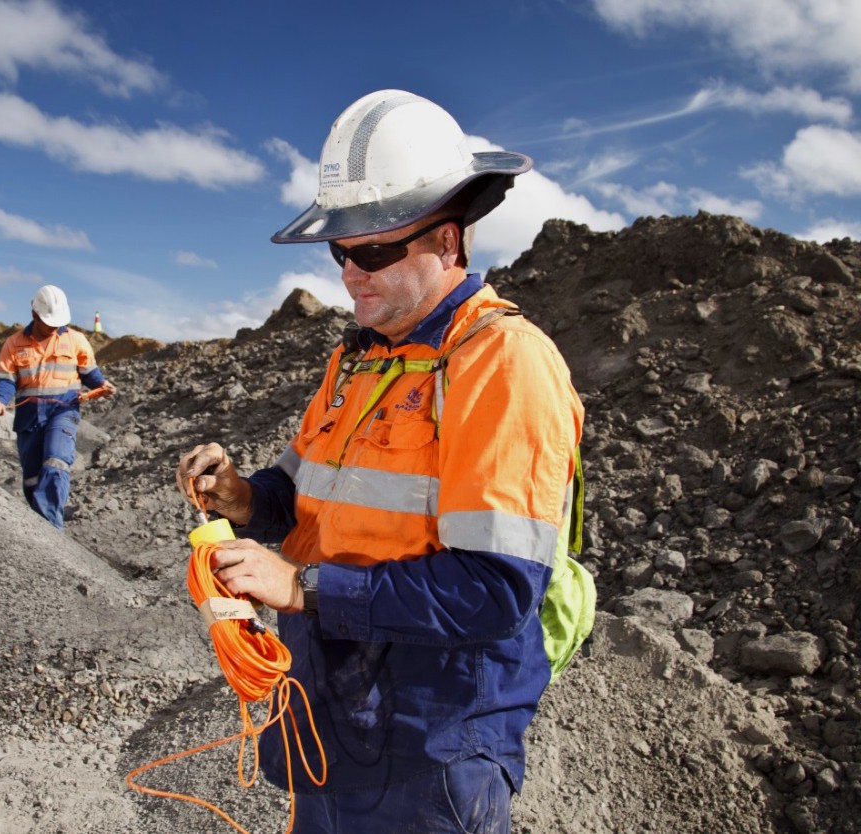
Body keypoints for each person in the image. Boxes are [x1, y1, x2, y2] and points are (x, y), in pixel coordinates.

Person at [176, 90, 584, 834]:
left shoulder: (503, 364)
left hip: (431, 734)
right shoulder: (357, 363)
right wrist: (240, 498)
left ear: (449, 242)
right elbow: (298, 498)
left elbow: (494, 591)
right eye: (341, 252)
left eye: (373, 251)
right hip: (331, 708)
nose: (350, 274)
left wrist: (301, 588)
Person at [0, 284, 115, 528]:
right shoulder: (14, 344)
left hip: (63, 411)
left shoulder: (76, 340)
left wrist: (102, 384)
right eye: (49, 323)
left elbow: (89, 373)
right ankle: (42, 522)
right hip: (29, 416)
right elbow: (5, 380)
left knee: (57, 461)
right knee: (32, 478)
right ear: (35, 314)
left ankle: (51, 532)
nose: (53, 328)